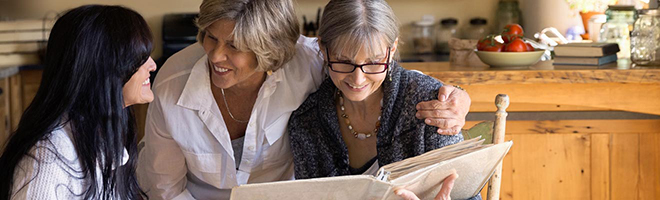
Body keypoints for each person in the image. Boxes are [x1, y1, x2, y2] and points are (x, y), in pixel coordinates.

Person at [136, 0, 471, 199]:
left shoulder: (308, 63)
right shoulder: (173, 87)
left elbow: (367, 62)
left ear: (269, 51)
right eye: (210, 37)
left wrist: (457, 97)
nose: (216, 56)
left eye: (235, 46)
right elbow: (166, 189)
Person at [288, 0, 480, 200]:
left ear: (392, 49)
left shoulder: (430, 106)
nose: (358, 79)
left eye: (373, 62)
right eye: (344, 62)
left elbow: (468, 195)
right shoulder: (306, 122)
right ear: (323, 48)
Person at [0, 5, 156, 200]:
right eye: (139, 58)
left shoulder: (104, 130)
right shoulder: (48, 158)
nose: (152, 65)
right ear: (103, 68)